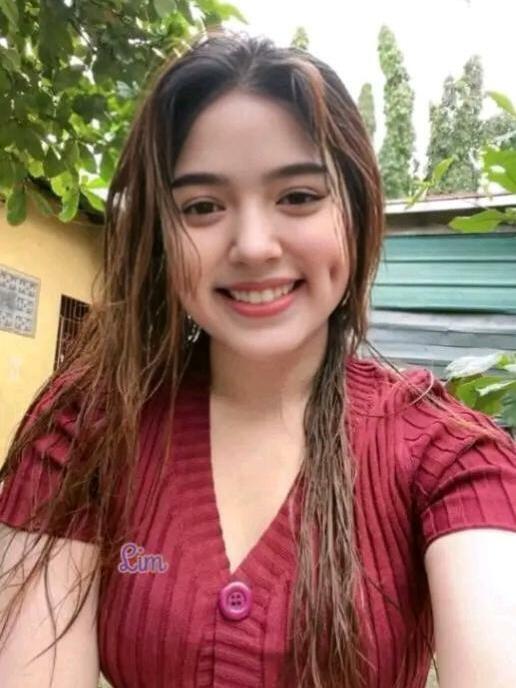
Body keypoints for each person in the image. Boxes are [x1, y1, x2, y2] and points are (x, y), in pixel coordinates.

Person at [0, 29, 515, 688]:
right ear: (161, 236)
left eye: (297, 196)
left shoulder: (448, 453)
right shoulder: (84, 433)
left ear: (357, 212)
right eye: (202, 207)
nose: (252, 246)